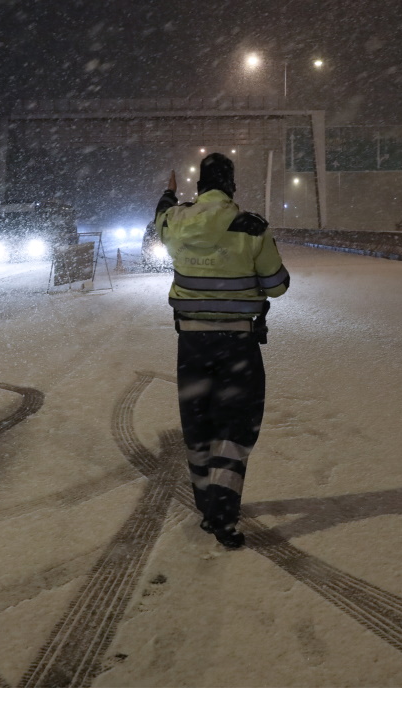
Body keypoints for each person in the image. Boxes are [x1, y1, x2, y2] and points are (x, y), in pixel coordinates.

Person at [154, 153, 290, 549]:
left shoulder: (177, 221)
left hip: (191, 343)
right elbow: (278, 285)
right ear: (231, 184)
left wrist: (168, 191)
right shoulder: (252, 227)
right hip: (238, 346)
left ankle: (205, 505)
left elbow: (160, 217)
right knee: (236, 425)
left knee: (198, 424)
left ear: (199, 186)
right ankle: (223, 514)